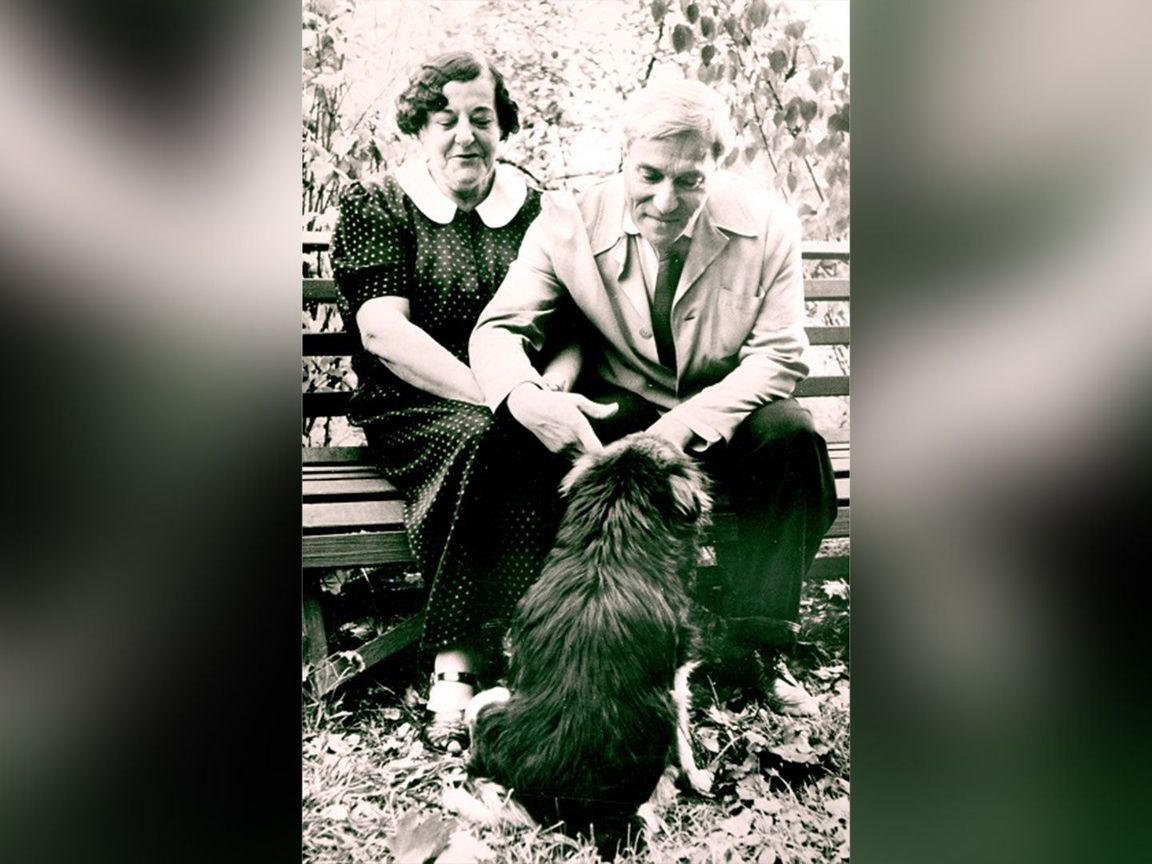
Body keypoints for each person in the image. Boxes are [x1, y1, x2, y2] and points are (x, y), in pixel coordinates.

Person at [469, 79, 839, 714]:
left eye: (689, 180)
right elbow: (499, 330)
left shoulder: (768, 224)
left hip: (727, 409)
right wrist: (528, 397)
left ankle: (757, 648)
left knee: (794, 442)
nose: (666, 201)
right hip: (623, 408)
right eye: (649, 175)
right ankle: (546, 647)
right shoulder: (567, 220)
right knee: (516, 440)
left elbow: (780, 355)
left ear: (717, 165)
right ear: (625, 154)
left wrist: (686, 425)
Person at [329, 51, 590, 745]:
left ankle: (537, 656)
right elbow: (383, 333)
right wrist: (504, 397)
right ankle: (457, 658)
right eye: (445, 119)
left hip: (519, 397)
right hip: (413, 403)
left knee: (537, 440)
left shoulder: (536, 209)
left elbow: (571, 332)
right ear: (420, 127)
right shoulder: (379, 203)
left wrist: (551, 389)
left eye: (482, 118)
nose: (465, 135)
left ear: (503, 127)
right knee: (487, 437)